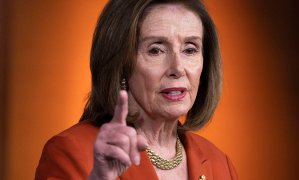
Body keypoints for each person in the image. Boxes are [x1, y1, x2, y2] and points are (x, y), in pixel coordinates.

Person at [35, 0, 238, 179]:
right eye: (156, 50)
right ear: (120, 64)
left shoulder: (220, 164)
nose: (177, 68)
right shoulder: (71, 152)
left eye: (190, 49)